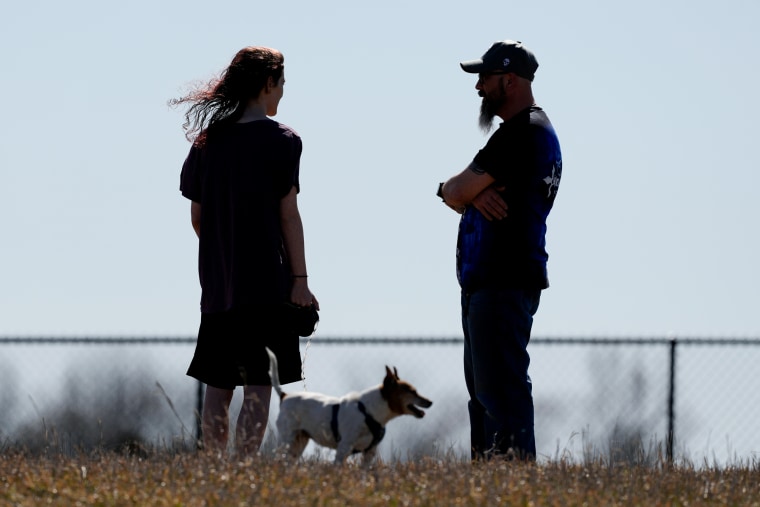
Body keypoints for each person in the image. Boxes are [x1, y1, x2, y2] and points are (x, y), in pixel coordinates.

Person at [173, 46, 319, 455]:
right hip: (268, 285)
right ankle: (243, 471)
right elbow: (288, 216)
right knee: (259, 384)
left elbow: (197, 218)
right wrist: (300, 281)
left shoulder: (207, 142)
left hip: (219, 287)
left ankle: (214, 470)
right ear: (268, 83)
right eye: (282, 84)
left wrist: (225, 255)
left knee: (218, 386)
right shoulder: (284, 141)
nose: (283, 93)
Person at [437, 40, 562, 461]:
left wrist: (460, 193)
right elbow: (461, 194)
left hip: (501, 281)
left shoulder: (521, 132)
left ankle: (513, 482)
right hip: (492, 282)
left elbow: (455, 189)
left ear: (509, 80)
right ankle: (490, 483)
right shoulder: (530, 130)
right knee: (485, 395)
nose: (478, 87)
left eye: (485, 78)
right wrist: (470, 196)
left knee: (500, 393)